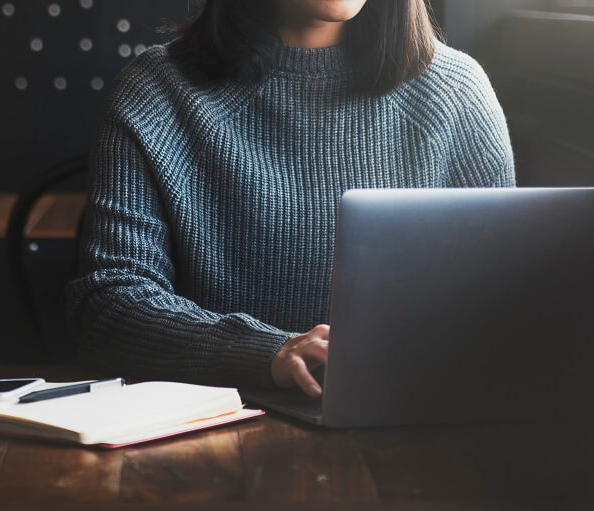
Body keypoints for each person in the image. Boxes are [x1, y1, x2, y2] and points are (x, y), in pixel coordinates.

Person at [65, 0, 515, 398]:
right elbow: (109, 305)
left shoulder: (458, 93)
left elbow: (505, 305)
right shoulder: (157, 91)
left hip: (408, 428)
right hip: (207, 435)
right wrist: (269, 353)